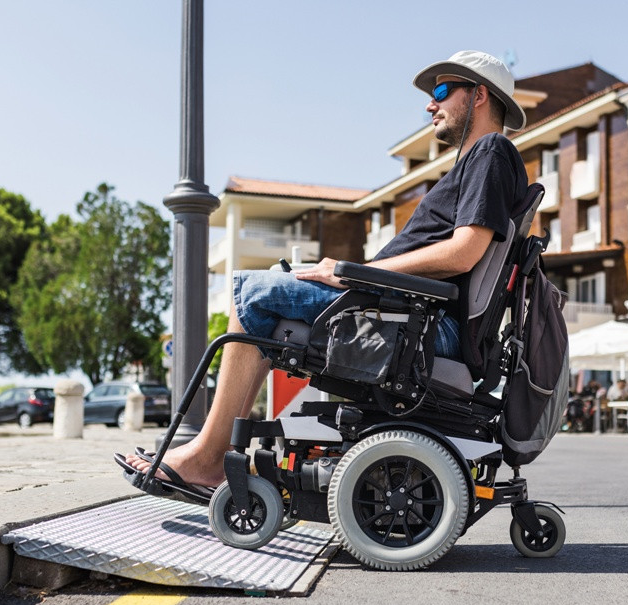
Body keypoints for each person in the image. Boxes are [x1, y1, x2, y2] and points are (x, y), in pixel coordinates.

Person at [122, 50, 530, 491]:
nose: (430, 104)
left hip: (420, 324)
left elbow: (463, 253)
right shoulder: (478, 162)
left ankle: (208, 456)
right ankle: (217, 453)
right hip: (411, 313)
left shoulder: (490, 152)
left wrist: (352, 274)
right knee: (269, 299)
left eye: (442, 91)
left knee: (252, 290)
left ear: (481, 96)